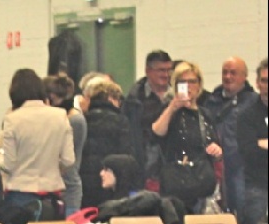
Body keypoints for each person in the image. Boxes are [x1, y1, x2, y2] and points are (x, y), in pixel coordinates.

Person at [0, 68, 74, 220]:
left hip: (20, 195)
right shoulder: (60, 116)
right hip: (52, 195)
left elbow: (8, 164)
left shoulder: (12, 119)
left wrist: (0, 156)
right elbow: (69, 160)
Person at [152, 61, 223, 214]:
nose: (188, 86)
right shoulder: (168, 110)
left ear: (199, 85)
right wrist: (173, 106)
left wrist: (217, 151)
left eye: (192, 81)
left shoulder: (205, 114)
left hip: (201, 182)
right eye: (182, 82)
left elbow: (215, 145)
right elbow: (158, 131)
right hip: (175, 183)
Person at [205, 57, 258, 218]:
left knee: (244, 213)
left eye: (233, 73)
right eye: (225, 72)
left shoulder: (255, 103)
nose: (228, 77)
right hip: (214, 170)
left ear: (244, 76)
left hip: (244, 171)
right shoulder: (210, 102)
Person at [122, 50, 173, 190]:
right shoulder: (134, 100)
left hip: (173, 163)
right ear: (148, 71)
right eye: (161, 70)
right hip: (145, 163)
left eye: (169, 70)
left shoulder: (179, 96)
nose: (166, 75)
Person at [79, 80, 135, 208]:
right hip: (109, 181)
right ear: (111, 98)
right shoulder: (120, 121)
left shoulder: (82, 119)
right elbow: (126, 154)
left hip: (84, 182)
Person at [236, 58, 268, 224]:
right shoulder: (246, 115)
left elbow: (257, 147)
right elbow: (248, 151)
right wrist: (257, 146)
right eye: (265, 81)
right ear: (257, 83)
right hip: (257, 188)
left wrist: (262, 143)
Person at [43, 74, 86, 215]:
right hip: (56, 189)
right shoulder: (63, 118)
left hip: (68, 189)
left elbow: (65, 159)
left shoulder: (74, 120)